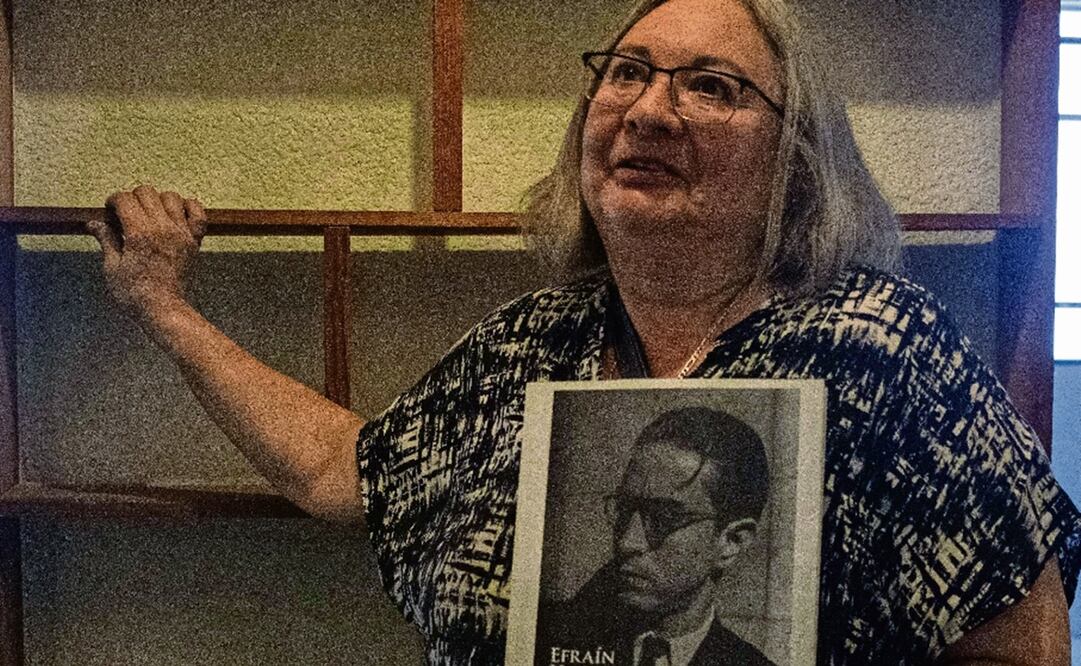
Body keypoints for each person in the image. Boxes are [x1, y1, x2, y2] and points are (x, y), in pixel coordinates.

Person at [86, 0, 1081, 663]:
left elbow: (1020, 641)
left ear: (796, 156)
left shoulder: (886, 350)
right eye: (626, 73)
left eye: (711, 86)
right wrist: (162, 303)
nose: (649, 109)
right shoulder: (531, 344)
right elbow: (335, 470)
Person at [536, 407, 776, 666]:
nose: (628, 542)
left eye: (665, 517)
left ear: (731, 542)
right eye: (625, 510)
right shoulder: (543, 636)